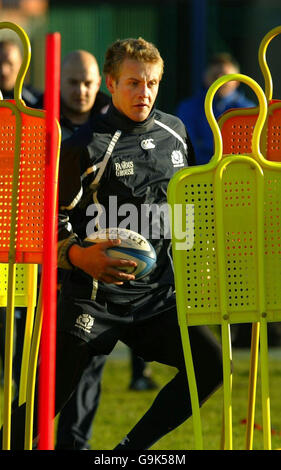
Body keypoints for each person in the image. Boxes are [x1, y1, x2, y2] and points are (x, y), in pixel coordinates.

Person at [2, 37, 223, 450]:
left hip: (154, 301)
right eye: (134, 83)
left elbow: (187, 208)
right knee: (43, 403)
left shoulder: (175, 133)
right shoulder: (85, 147)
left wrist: (199, 259)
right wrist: (80, 256)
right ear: (111, 83)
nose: (145, 92)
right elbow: (47, 225)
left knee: (211, 366)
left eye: (153, 83)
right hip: (93, 298)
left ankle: (127, 453)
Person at [55, 49, 157, 451]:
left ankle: (77, 447)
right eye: (72, 81)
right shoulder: (50, 125)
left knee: (88, 369)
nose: (80, 89)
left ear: (101, 84)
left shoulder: (122, 131)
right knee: (42, 373)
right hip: (54, 260)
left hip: (100, 280)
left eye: (87, 82)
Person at [0, 38, 42, 399]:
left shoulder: (38, 106)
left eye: (9, 62)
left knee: (24, 309)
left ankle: (22, 376)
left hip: (25, 221)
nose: (3, 69)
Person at [176, 52, 256, 165]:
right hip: (197, 174)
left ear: (237, 79)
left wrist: (205, 145)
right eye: (215, 76)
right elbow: (187, 148)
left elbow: (248, 152)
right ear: (205, 76)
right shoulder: (188, 107)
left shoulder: (248, 110)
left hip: (236, 174)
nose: (219, 80)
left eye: (224, 76)